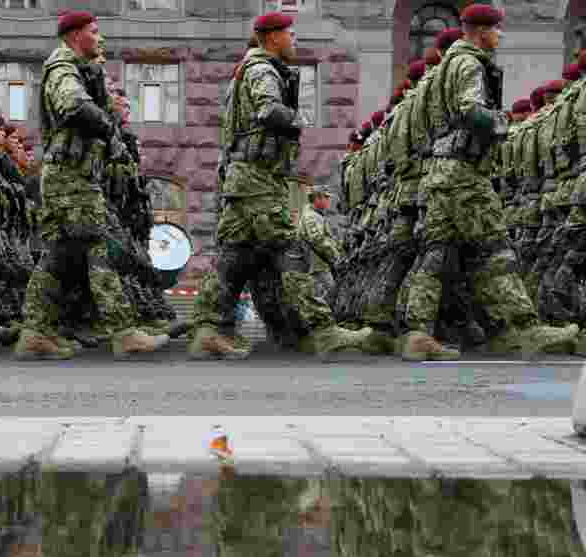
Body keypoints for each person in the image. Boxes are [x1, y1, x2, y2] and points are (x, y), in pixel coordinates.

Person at [188, 11, 374, 361]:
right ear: (272, 37)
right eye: (291, 35)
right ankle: (322, 329)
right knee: (290, 250)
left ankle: (211, 330)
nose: (295, 41)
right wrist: (298, 119)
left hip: (248, 180)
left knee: (236, 258)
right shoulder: (261, 69)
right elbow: (269, 110)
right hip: (257, 180)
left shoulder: (250, 68)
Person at [399, 3, 578, 359]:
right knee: (496, 249)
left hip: (441, 171)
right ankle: (523, 328)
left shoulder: (446, 65)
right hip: (464, 175)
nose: (500, 36)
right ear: (481, 31)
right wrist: (501, 124)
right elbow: (469, 108)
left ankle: (417, 333)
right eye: (497, 30)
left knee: (436, 256)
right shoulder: (469, 63)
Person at [15, 10, 170, 360]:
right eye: (95, 32)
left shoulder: (77, 67)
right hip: (70, 177)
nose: (101, 39)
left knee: (60, 254)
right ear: (74, 36)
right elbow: (73, 106)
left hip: (74, 175)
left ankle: (35, 333)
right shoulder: (62, 68)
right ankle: (123, 331)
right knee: (97, 245)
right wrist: (108, 126)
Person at [297, 186, 341, 303]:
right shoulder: (311, 216)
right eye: (325, 197)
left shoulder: (316, 214)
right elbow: (318, 240)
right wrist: (335, 257)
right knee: (331, 292)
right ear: (317, 198)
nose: (328, 200)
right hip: (317, 265)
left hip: (319, 263)